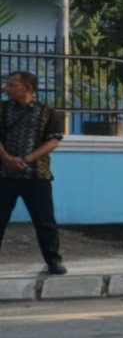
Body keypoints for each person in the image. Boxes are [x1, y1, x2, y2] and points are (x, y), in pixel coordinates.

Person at [0, 71, 66, 275]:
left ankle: (53, 261)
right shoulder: (2, 109)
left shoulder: (46, 111)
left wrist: (26, 159)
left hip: (37, 175)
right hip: (4, 175)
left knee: (45, 221)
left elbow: (53, 141)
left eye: (12, 85)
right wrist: (6, 158)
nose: (7, 89)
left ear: (27, 88)